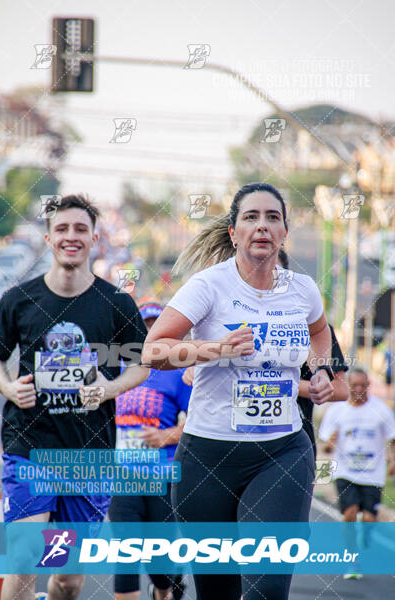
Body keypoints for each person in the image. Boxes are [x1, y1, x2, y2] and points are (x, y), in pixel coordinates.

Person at [142, 182, 337, 600]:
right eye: (251, 217)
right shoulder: (208, 287)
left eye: (272, 218)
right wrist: (214, 349)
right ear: (233, 232)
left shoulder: (302, 290)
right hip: (207, 458)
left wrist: (320, 371)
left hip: (282, 451)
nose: (262, 226)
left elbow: (321, 334)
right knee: (219, 593)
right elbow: (153, 351)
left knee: (266, 589)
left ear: (285, 232)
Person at [0, 195, 149, 600]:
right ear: (48, 238)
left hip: (88, 454)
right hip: (30, 445)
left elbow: (142, 365)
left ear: (95, 238)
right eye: (62, 229)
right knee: (26, 556)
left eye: (80, 229)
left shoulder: (116, 303)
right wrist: (8, 387)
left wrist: (109, 388)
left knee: (67, 578)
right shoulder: (19, 300)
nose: (71, 236)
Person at [108, 299, 191, 600]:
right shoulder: (117, 369)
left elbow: (199, 424)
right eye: (146, 327)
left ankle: (165, 588)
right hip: (122, 476)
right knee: (126, 551)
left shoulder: (178, 373)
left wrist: (166, 435)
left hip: (163, 477)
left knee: (160, 561)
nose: (152, 332)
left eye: (159, 326)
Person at [319, 367, 395, 579]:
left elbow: (392, 438)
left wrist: (393, 460)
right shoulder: (337, 410)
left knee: (369, 519)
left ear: (368, 385)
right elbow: (325, 445)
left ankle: (367, 531)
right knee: (349, 514)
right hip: (345, 471)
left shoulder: (381, 409)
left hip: (373, 473)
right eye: (355, 386)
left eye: (363, 385)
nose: (359, 389)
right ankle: (353, 561)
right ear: (349, 386)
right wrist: (330, 444)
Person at [277, 249, 349, 460]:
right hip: (235, 444)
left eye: (276, 273)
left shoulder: (316, 331)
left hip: (294, 442)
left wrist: (284, 385)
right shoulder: (234, 324)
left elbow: (341, 390)